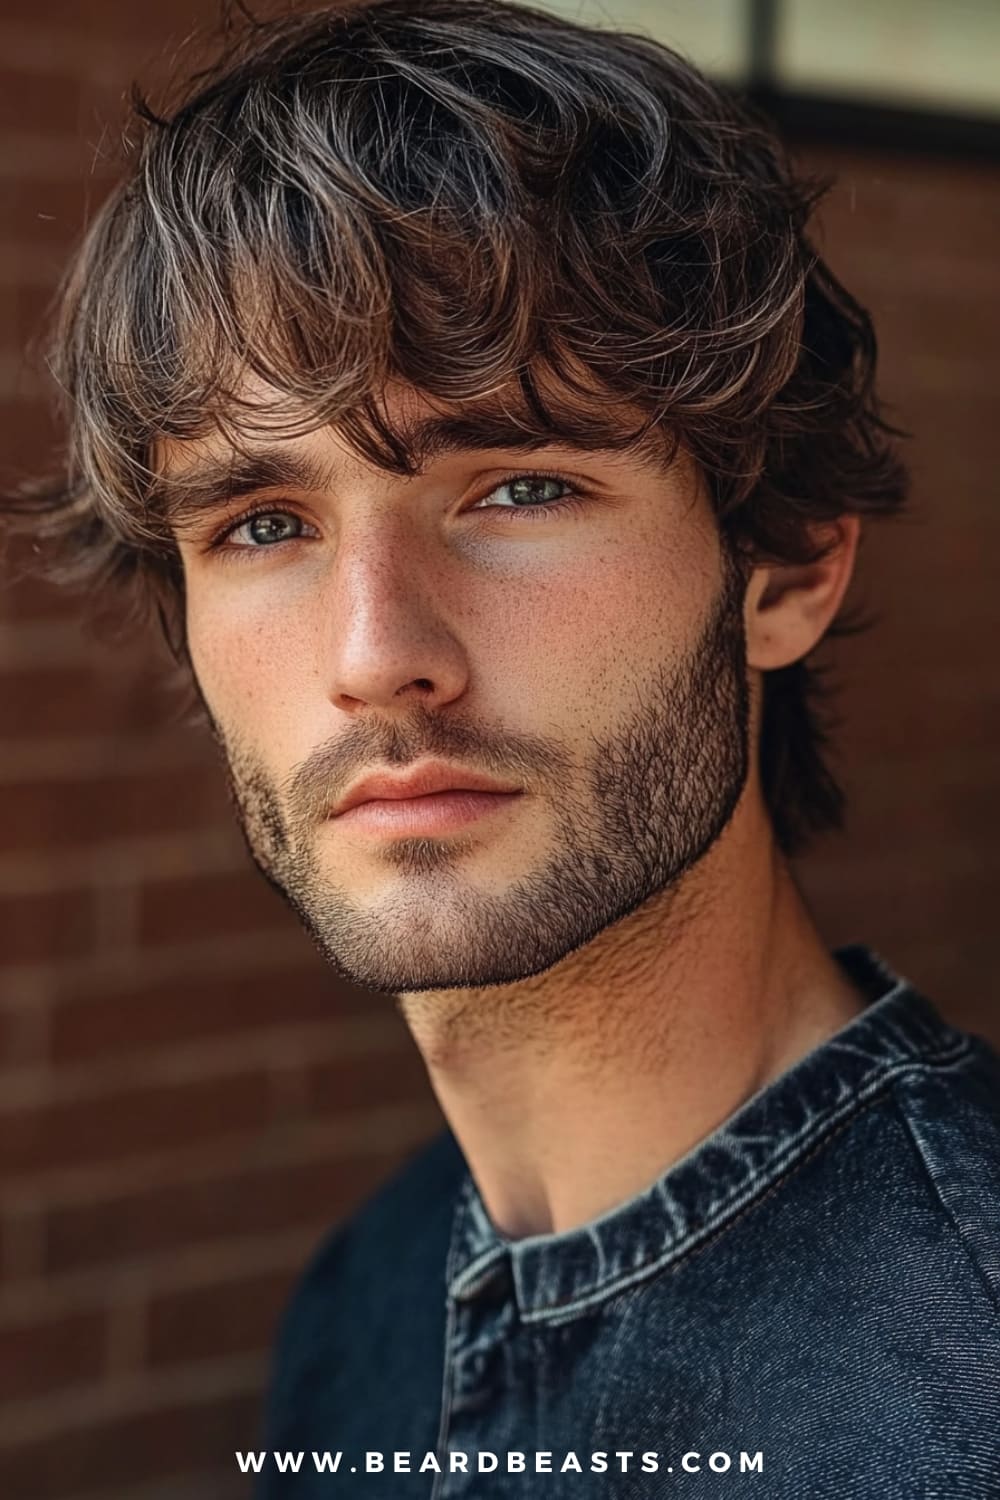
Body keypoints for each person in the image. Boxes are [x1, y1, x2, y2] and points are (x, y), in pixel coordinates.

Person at [7, 0, 999, 1494]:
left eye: (519, 487)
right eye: (264, 525)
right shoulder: (356, 1307)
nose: (373, 654)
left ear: (784, 568)